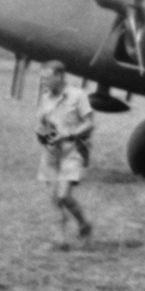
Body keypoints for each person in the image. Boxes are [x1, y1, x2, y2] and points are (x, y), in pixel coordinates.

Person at [36, 60, 94, 248]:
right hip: (51, 153)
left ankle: (84, 224)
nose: (44, 82)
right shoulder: (45, 98)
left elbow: (89, 123)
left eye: (47, 78)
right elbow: (42, 125)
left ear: (59, 76)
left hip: (72, 151)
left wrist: (70, 133)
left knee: (63, 196)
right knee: (54, 197)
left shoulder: (78, 95)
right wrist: (44, 136)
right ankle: (60, 241)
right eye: (42, 78)